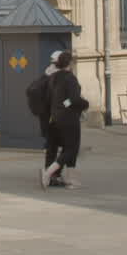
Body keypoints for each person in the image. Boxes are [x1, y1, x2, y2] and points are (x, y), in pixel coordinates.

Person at [40, 50, 87, 190]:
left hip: (55, 118)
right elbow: (73, 99)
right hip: (69, 118)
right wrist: (85, 104)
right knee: (71, 149)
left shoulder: (53, 77)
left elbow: (52, 99)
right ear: (70, 63)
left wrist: (61, 105)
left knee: (68, 148)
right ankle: (48, 173)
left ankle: (72, 180)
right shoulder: (70, 78)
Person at [38, 51, 65, 188]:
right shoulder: (59, 76)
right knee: (67, 148)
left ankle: (50, 173)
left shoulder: (47, 72)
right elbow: (66, 99)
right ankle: (52, 174)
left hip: (47, 116)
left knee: (51, 147)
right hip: (56, 116)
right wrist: (70, 105)